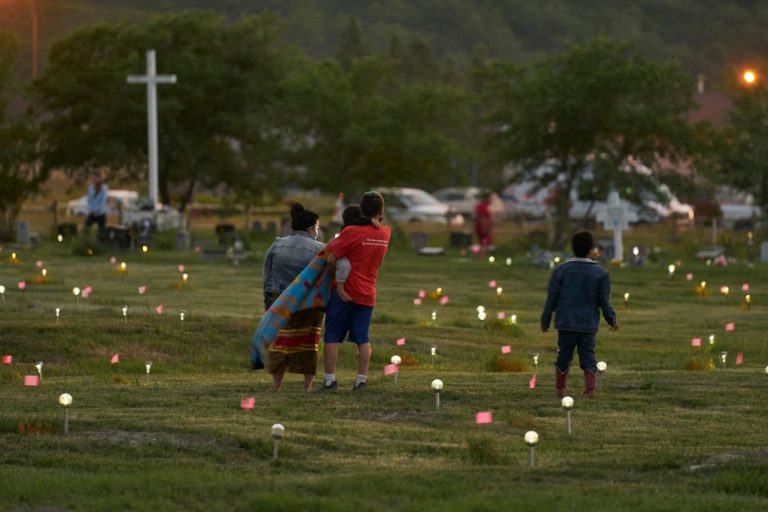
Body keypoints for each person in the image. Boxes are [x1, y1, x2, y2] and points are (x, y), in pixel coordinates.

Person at [322, 191, 390, 391]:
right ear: (381, 211)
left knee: (332, 336)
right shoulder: (385, 233)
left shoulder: (351, 232)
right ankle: (361, 379)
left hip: (346, 290)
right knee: (363, 338)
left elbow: (331, 257)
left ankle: (330, 380)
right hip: (368, 292)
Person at [540, 231, 619, 399]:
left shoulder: (561, 270)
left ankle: (560, 389)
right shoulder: (601, 274)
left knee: (564, 355)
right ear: (591, 249)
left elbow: (552, 298)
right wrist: (611, 318)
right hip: (588, 323)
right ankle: (590, 391)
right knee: (588, 356)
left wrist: (545, 319)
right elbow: (603, 301)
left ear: (573, 248)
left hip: (566, 322)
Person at [262, 203, 325, 391]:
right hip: (308, 304)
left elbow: (267, 275)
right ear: (311, 228)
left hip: (278, 300)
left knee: (280, 342)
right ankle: (307, 386)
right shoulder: (320, 249)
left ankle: (277, 385)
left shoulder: (277, 244)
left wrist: (267, 301)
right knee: (308, 343)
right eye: (317, 227)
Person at [335, 204, 368, 302]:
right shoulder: (349, 229)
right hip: (343, 257)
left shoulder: (349, 228)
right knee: (345, 264)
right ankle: (340, 288)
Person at [85, 170, 108, 237]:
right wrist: (91, 208)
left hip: (101, 213)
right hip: (92, 212)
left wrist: (96, 209)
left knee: (101, 230)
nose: (93, 179)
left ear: (99, 178)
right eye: (92, 177)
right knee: (86, 227)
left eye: (95, 177)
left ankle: (100, 244)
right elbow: (89, 200)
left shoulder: (104, 188)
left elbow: (103, 201)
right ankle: (86, 241)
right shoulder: (91, 188)